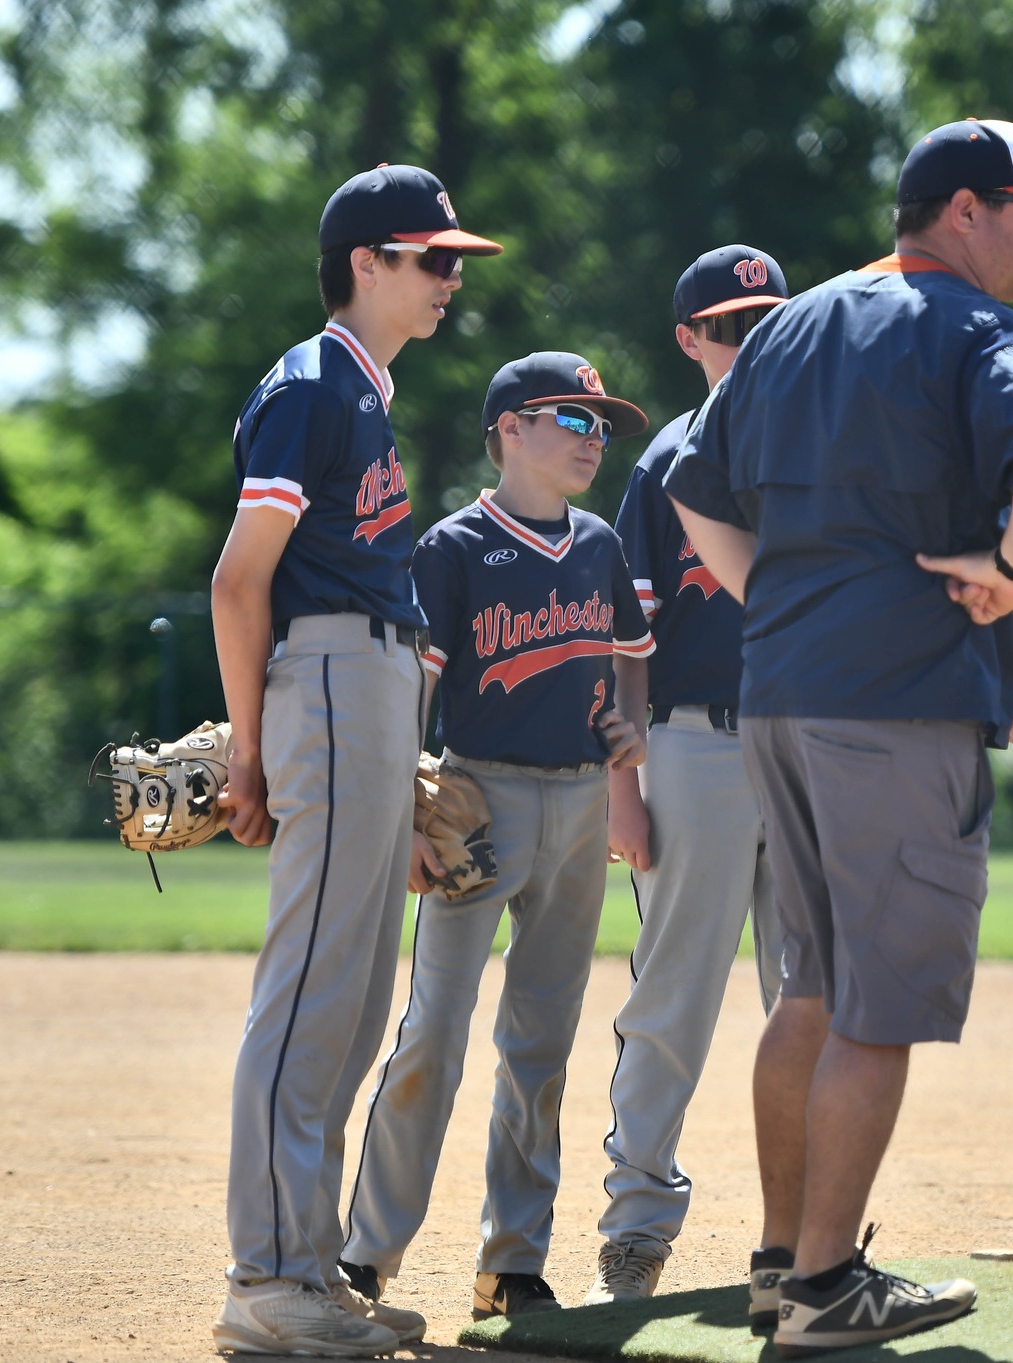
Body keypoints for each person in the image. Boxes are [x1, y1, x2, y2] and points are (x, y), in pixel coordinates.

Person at [662, 117, 1013, 1356]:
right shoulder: (974, 327)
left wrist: (793, 606)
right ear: (963, 212)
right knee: (876, 1010)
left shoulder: (793, 320)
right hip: (898, 703)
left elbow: (695, 489)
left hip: (782, 695)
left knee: (808, 986)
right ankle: (823, 1289)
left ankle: (776, 1267)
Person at [209, 164, 500, 1357]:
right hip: (325, 677)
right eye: (432, 258)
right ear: (365, 262)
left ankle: (308, 1267)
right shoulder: (316, 384)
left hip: (371, 681)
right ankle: (268, 1277)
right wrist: (247, 745)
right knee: (313, 992)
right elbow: (240, 577)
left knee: (357, 993)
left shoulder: (364, 395)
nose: (451, 279)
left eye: (454, 261)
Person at [334, 352, 654, 1323]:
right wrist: (403, 820)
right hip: (478, 800)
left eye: (602, 424)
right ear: (509, 427)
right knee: (432, 1026)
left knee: (542, 1043)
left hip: (579, 807)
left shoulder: (599, 545)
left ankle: (510, 1264)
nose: (592, 438)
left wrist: (626, 742)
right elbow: (415, 690)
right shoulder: (455, 546)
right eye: (573, 418)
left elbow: (633, 655)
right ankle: (363, 1258)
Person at [583, 245, 792, 1306]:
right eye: (727, 323)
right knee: (671, 992)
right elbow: (629, 639)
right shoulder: (664, 461)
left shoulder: (823, 449)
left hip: (810, 746)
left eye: (766, 317)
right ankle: (636, 1221)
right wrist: (624, 781)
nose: (748, 337)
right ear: (688, 339)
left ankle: (797, 1239)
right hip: (693, 745)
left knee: (811, 997)